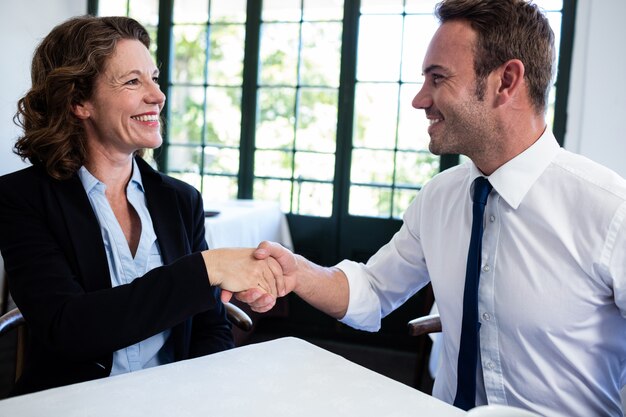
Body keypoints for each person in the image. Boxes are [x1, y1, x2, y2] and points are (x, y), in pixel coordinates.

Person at [235, 1, 626, 416]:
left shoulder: (609, 212)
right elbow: (373, 290)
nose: (421, 100)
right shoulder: (439, 197)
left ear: (506, 81)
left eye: (438, 78)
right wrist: (297, 272)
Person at [0, 15, 281, 396]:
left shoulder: (181, 200)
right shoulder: (21, 199)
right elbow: (68, 328)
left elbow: (210, 329)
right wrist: (206, 269)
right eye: (133, 81)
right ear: (79, 101)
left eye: (155, 78)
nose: (158, 95)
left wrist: (195, 396)